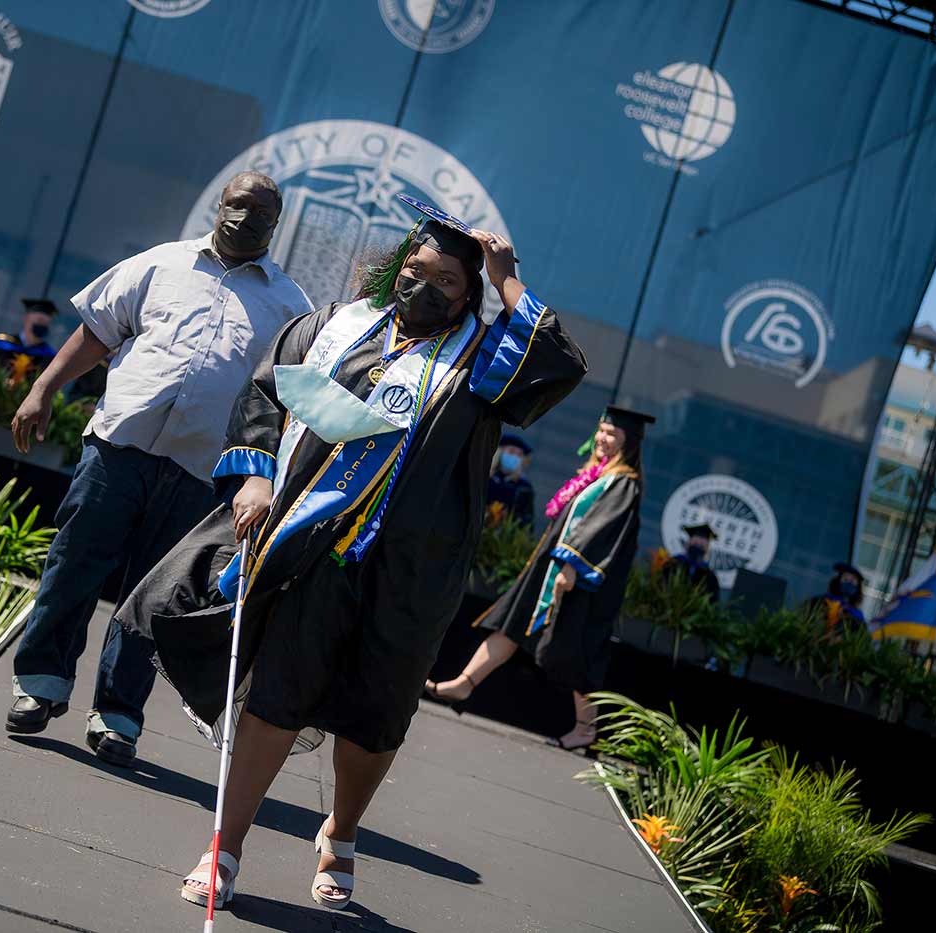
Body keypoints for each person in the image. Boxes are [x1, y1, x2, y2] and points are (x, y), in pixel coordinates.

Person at [114, 201, 587, 911]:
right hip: (315, 548)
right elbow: (266, 396)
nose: (424, 288)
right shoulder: (338, 325)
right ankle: (225, 846)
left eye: (448, 283)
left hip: (411, 571)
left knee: (375, 716)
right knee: (276, 695)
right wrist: (254, 475)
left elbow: (558, 363)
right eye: (417, 270)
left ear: (470, 294)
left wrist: (508, 278)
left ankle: (341, 830)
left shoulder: (484, 362)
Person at [5, 171, 313, 770]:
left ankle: (118, 716)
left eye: (262, 213)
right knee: (74, 565)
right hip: (118, 446)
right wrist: (43, 388)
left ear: (276, 226)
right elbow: (99, 332)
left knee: (155, 598)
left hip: (201, 471)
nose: (247, 218)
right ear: (219, 204)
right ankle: (39, 684)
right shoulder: (161, 263)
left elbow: (287, 403)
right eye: (239, 204)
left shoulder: (289, 306)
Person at [426, 406, 648, 753]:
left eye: (613, 434)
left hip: (576, 578)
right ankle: (464, 683)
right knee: (512, 623)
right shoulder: (598, 475)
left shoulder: (624, 483)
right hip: (551, 569)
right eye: (601, 431)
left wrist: (571, 566)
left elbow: (600, 528)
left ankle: (585, 729)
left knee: (576, 653)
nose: (603, 439)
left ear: (629, 443)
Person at [0, 298, 59, 378]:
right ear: (26, 318)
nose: (42, 325)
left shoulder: (48, 355)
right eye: (39, 320)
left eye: (46, 323)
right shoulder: (0, 344)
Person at [660, 522, 721, 602]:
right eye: (696, 540)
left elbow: (712, 602)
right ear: (688, 543)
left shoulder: (710, 577)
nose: (699, 542)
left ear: (707, 548)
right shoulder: (673, 564)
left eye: (702, 542)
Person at [487, 433, 536, 528]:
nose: (515, 457)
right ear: (500, 452)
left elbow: (527, 522)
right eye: (511, 452)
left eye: (519, 455)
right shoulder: (485, 478)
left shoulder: (524, 488)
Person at [805, 562, 866, 636]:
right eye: (846, 579)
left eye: (853, 581)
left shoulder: (857, 616)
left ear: (858, 587)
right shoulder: (819, 601)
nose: (849, 583)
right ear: (838, 582)